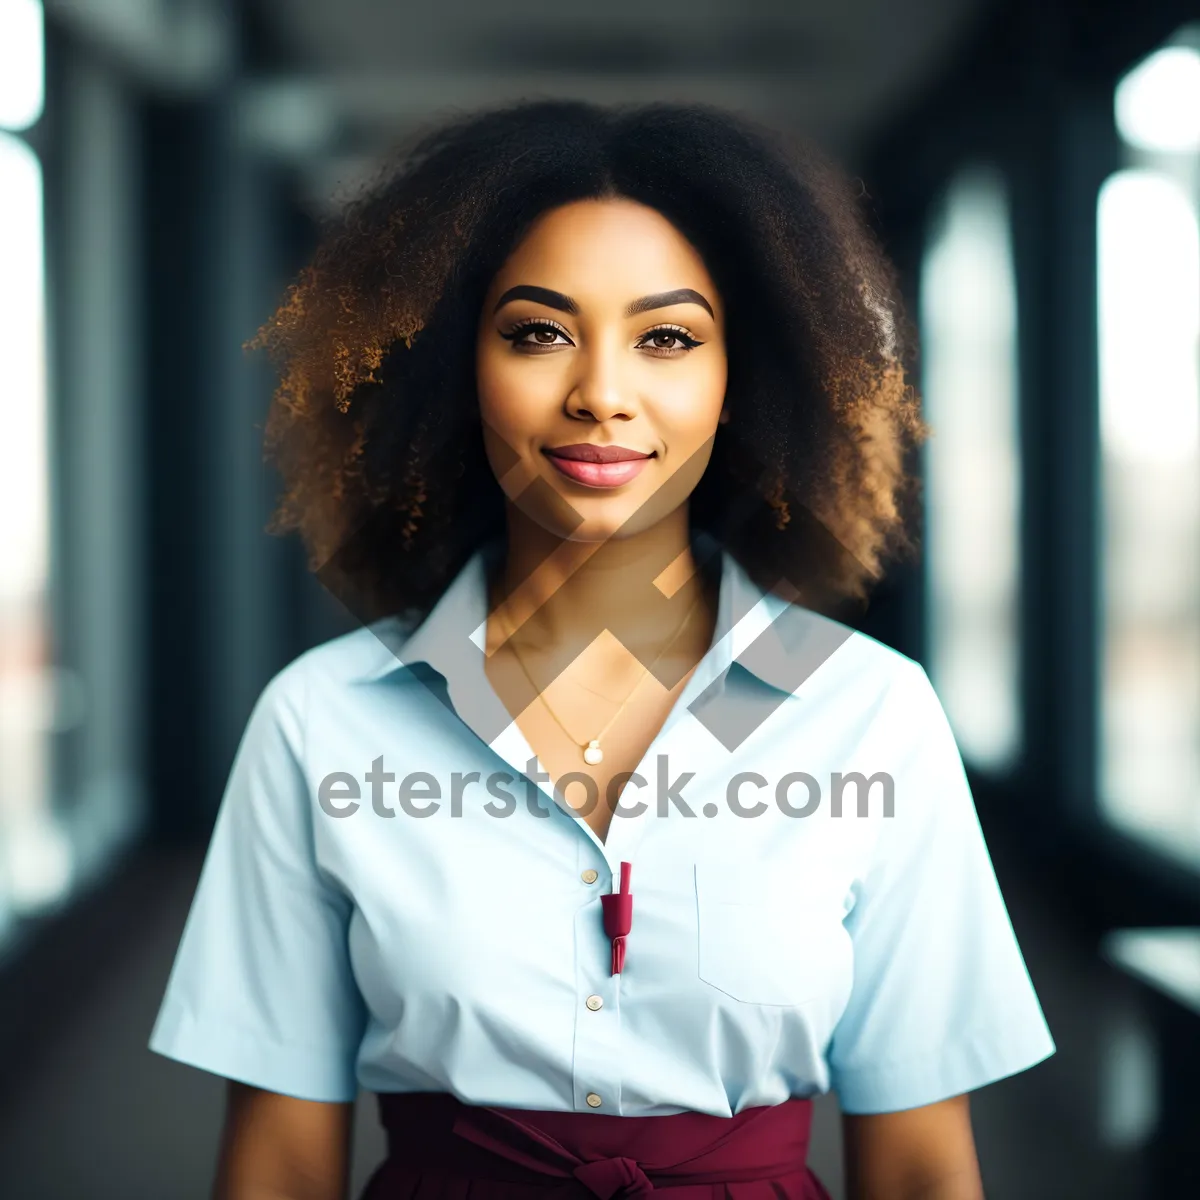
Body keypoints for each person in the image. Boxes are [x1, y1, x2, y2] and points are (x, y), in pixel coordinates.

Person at [148, 99, 1056, 1200]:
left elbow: (919, 1167)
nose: (601, 394)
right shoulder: (319, 720)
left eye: (667, 337)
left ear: (741, 379)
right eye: (537, 333)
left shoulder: (875, 714)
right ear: (456, 366)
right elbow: (280, 1165)